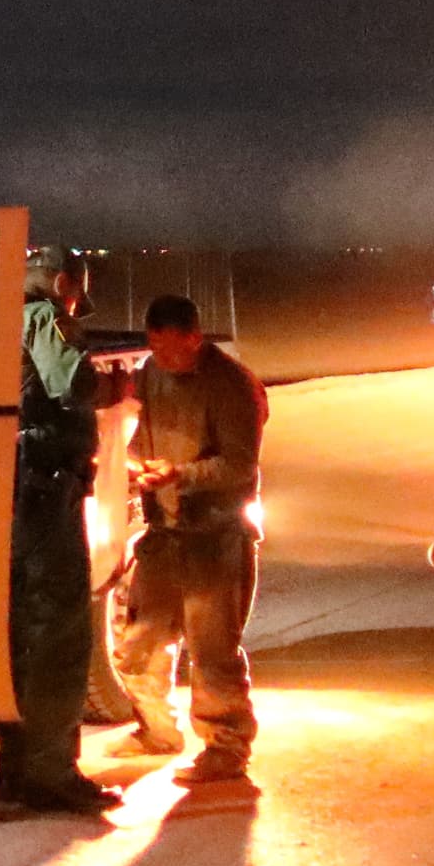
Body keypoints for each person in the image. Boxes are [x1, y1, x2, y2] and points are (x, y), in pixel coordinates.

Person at [107, 292, 267, 783]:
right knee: (140, 642)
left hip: (215, 535)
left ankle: (226, 747)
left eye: (170, 348)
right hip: (165, 532)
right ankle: (156, 729)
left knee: (212, 651)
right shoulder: (151, 374)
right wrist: (137, 465)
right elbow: (140, 434)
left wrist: (180, 474)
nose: (161, 357)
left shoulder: (232, 385)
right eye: (154, 346)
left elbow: (239, 465)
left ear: (194, 338)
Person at [0, 245, 118, 815]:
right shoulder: (43, 317)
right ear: (63, 282)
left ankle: (14, 770)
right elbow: (71, 383)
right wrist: (115, 389)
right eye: (73, 295)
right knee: (59, 633)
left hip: (2, 497)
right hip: (44, 494)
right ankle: (51, 774)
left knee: (14, 634)